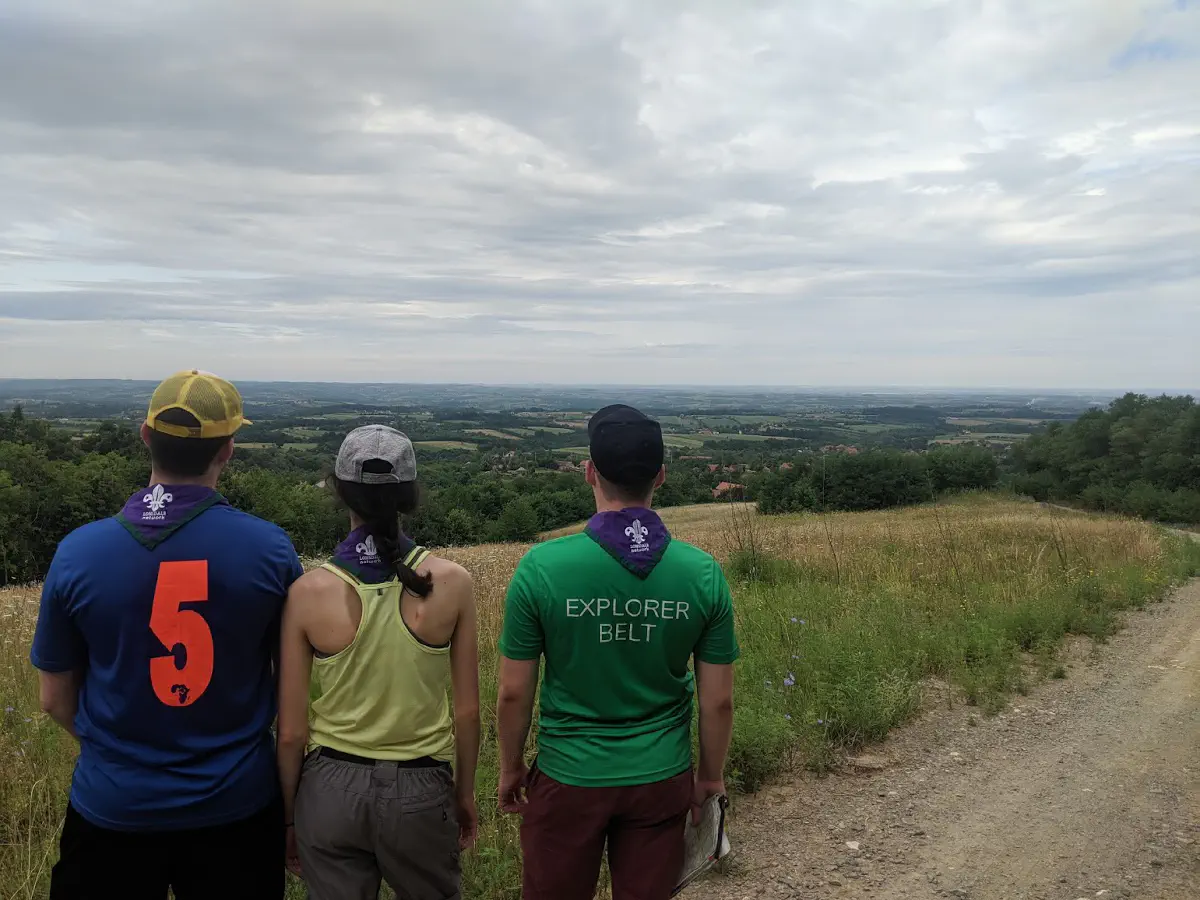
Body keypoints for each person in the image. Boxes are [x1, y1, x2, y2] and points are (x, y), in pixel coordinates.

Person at [30, 370, 303, 900]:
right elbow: (291, 693)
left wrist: (119, 758)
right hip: (236, 809)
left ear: (145, 436)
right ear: (227, 450)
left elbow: (53, 698)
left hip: (111, 810)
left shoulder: (77, 552)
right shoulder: (269, 550)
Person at [496, 404, 740, 900]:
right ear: (661, 476)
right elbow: (718, 701)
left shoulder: (541, 568)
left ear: (590, 472)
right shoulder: (702, 573)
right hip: (661, 778)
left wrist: (511, 766)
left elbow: (513, 692)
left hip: (568, 777)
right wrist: (709, 777)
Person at [277, 424, 480, 900]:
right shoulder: (453, 582)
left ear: (339, 492)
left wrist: (288, 817)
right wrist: (464, 794)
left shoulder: (307, 592)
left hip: (329, 789)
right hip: (421, 786)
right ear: (409, 495)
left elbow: (291, 733)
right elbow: (468, 712)